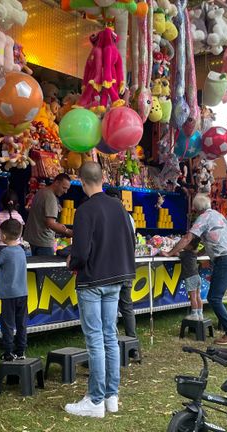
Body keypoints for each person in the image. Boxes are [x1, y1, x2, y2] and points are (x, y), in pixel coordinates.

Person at [65, 162, 136, 418]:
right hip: (116, 279)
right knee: (109, 337)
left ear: (81, 182)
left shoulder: (84, 210)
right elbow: (130, 240)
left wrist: (72, 261)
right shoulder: (119, 208)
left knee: (95, 339)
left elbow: (81, 251)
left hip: (92, 281)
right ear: (103, 178)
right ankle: (111, 396)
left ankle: (95, 400)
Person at [162, 195, 227, 345]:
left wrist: (170, 252)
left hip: (225, 260)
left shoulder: (203, 218)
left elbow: (187, 239)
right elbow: (214, 239)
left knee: (214, 298)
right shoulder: (218, 216)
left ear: (195, 209)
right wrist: (199, 254)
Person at [0, 219, 28, 361]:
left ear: (3, 236)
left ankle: (8, 351)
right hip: (22, 293)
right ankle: (21, 350)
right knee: (21, 324)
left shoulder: (5, 252)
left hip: (9, 295)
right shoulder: (21, 250)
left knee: (8, 324)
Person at [105, 190, 136, 338]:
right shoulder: (128, 217)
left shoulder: (106, 215)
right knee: (127, 306)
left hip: (112, 267)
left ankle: (113, 341)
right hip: (127, 266)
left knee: (111, 306)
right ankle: (132, 344)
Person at [24, 173, 73, 256]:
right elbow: (51, 223)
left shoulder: (41, 192)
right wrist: (67, 231)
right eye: (64, 188)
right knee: (46, 268)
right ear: (56, 182)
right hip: (43, 242)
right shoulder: (50, 197)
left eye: (67, 189)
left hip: (33, 239)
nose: (65, 191)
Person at [0, 190, 25, 254]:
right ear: (16, 204)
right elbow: (20, 234)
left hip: (0, 246)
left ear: (1, 203)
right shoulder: (19, 216)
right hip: (17, 246)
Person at [179, 238, 204, 321]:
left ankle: (194, 314)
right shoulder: (194, 253)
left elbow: (175, 253)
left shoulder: (184, 254)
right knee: (198, 296)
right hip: (197, 276)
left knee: (193, 297)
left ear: (189, 246)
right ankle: (200, 314)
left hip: (190, 277)